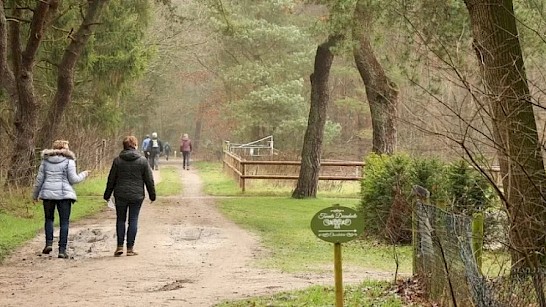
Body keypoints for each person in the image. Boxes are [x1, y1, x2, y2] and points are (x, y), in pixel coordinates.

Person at [32, 140, 90, 259]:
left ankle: (48, 244)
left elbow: (39, 180)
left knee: (49, 219)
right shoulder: (69, 161)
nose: (68, 150)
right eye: (67, 148)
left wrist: (35, 195)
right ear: (63, 149)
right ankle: (62, 250)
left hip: (48, 195)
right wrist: (84, 174)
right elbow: (73, 179)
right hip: (64, 196)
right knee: (64, 222)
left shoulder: (45, 161)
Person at [104, 136, 156, 257]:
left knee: (120, 220)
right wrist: (152, 195)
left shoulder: (117, 161)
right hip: (137, 195)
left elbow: (111, 179)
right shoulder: (142, 161)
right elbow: (149, 180)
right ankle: (130, 248)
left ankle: (119, 246)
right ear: (135, 145)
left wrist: (107, 195)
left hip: (120, 194)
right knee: (133, 220)